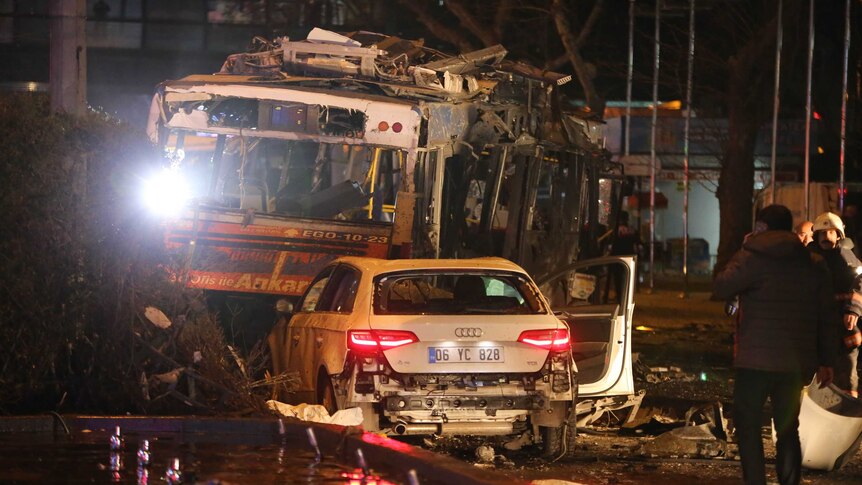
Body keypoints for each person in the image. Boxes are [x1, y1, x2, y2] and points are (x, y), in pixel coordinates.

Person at [714, 204, 835, 485]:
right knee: (788, 428)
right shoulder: (812, 262)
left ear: (763, 227)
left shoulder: (751, 256)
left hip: (753, 362)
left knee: (748, 426)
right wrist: (827, 360)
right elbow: (826, 315)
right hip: (794, 362)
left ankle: (756, 481)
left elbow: (722, 286)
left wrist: (741, 250)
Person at [808, 211, 862, 398]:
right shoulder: (808, 259)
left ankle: (847, 409)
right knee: (813, 373)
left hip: (844, 327)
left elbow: (860, 284)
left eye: (830, 232)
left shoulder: (849, 259)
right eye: (822, 233)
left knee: (847, 371)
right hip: (815, 325)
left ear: (839, 234)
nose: (825, 236)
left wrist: (853, 310)